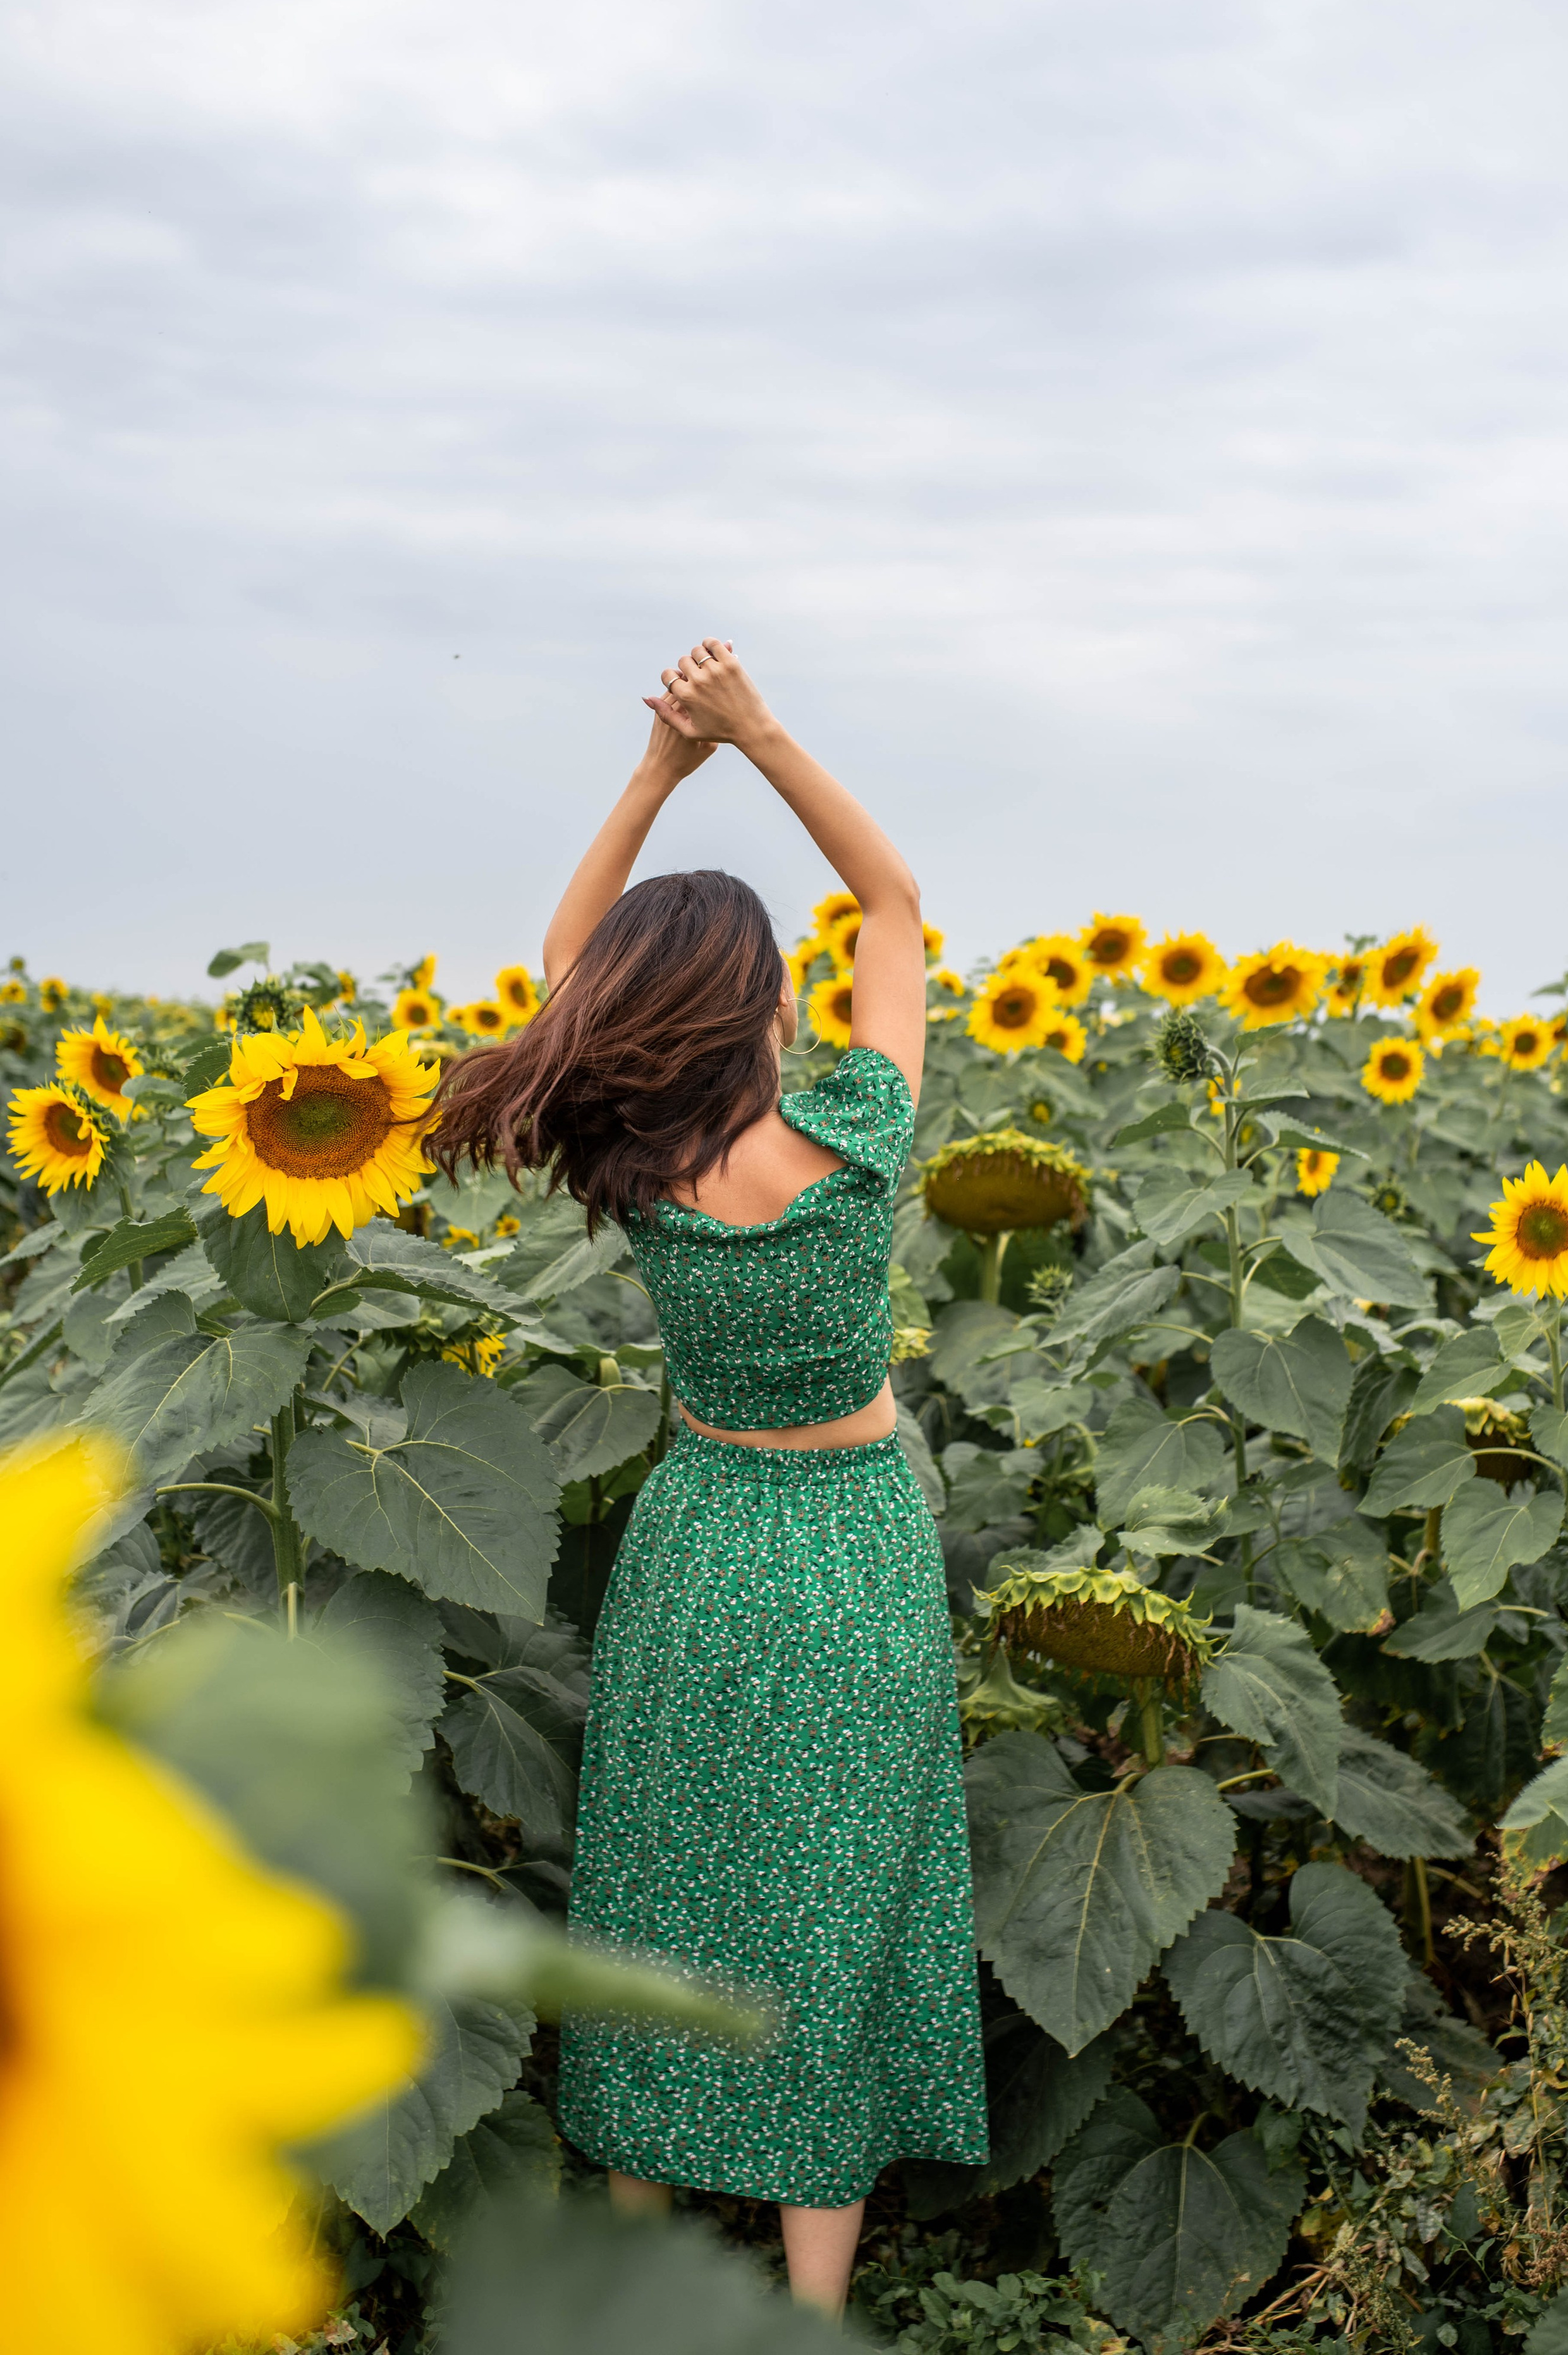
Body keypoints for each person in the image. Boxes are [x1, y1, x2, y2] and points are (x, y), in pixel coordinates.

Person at [429, 641, 988, 2318]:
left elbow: (564, 960)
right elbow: (893, 900)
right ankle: (809, 2315)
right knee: (835, 1899)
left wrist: (662, 770)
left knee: (661, 1885)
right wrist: (761, 734)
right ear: (767, 1009)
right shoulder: (853, 1141)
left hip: (698, 1538)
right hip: (854, 1544)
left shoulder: (638, 1153)